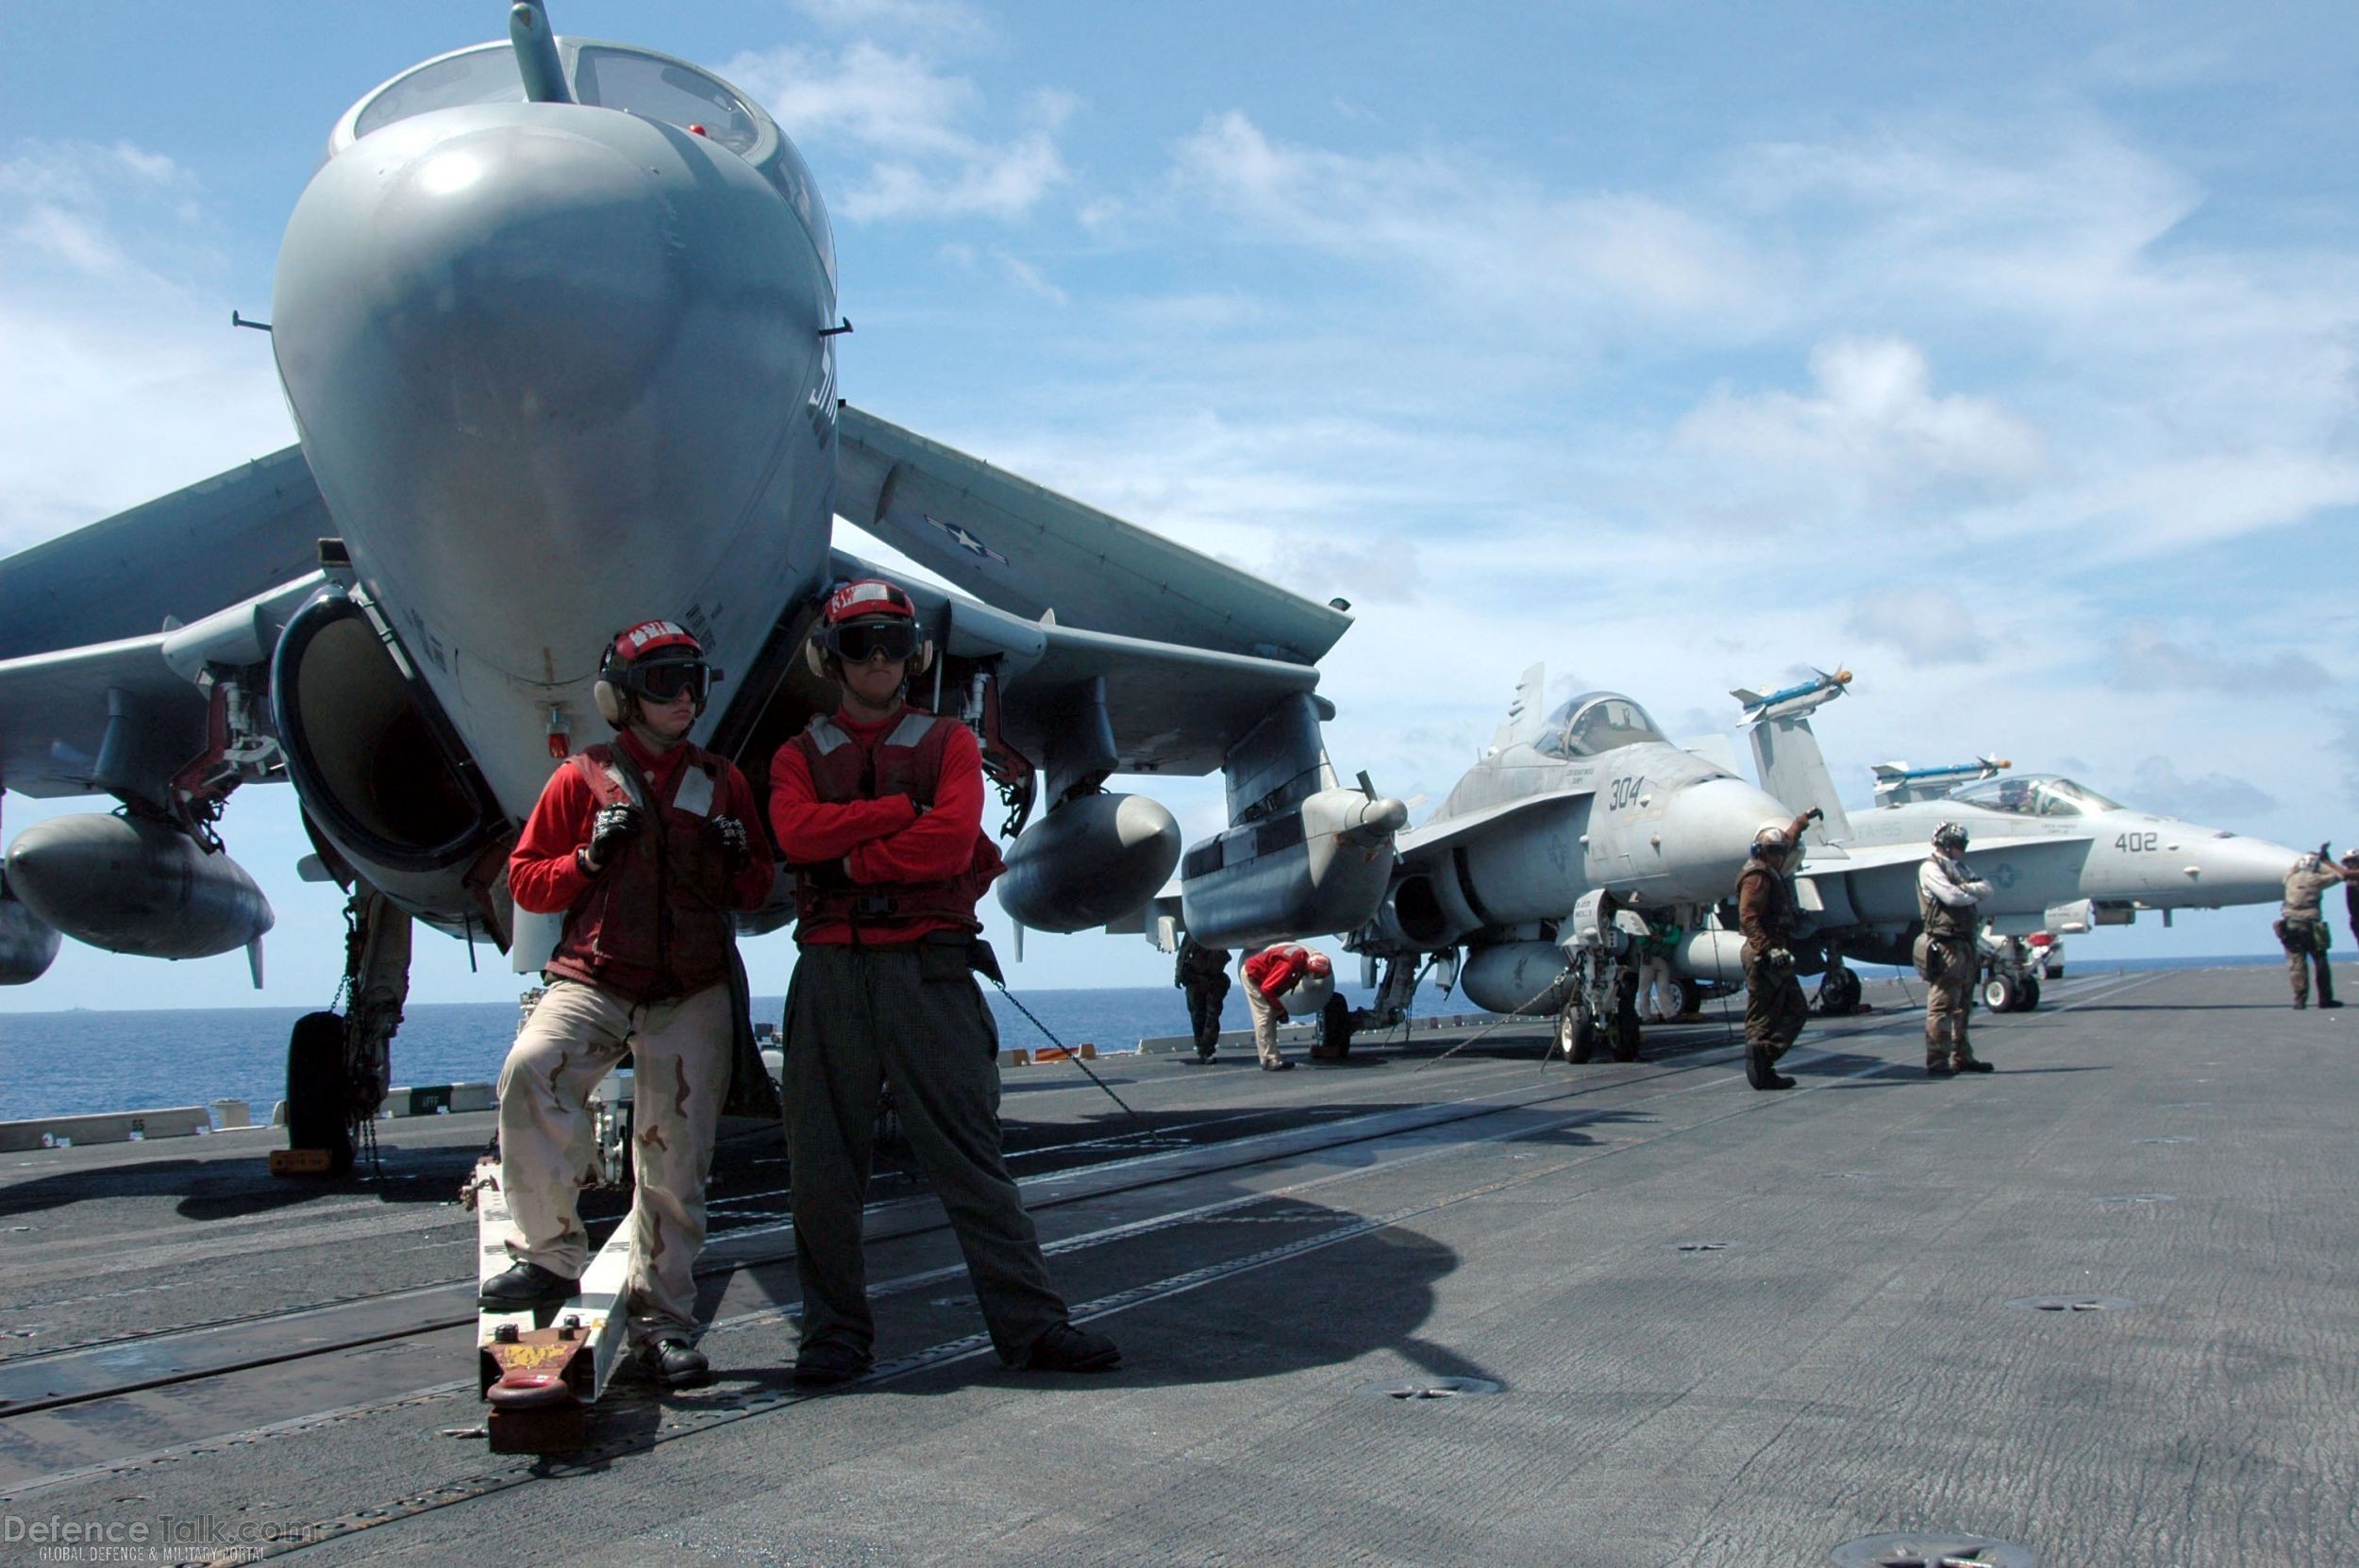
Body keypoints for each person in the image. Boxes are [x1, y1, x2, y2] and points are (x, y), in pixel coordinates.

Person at [769, 577, 1118, 1385]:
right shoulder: (798, 755)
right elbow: (792, 831)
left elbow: (949, 842)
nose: (880, 659)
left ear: (915, 652)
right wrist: (896, 817)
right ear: (833, 656)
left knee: (971, 1163)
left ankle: (1033, 1327)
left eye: (894, 642)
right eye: (861, 644)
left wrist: (846, 853)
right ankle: (832, 1336)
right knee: (822, 1172)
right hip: (829, 971)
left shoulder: (951, 745)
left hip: (928, 967)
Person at [487, 621, 775, 1390]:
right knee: (534, 1068)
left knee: (674, 1166)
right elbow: (527, 880)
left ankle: (665, 1327)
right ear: (621, 698)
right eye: (662, 684)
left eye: (691, 682)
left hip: (690, 990)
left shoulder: (721, 781)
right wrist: (586, 859)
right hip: (596, 978)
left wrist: (739, 859)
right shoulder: (581, 778)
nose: (683, 698)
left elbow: (756, 890)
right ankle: (548, 1256)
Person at [1733, 811, 1818, 1091]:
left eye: (1782, 852)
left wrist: (1801, 823)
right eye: (1775, 852)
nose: (1780, 856)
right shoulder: (1757, 877)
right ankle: (1761, 1062)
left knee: (1789, 1008)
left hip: (1771, 951)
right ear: (1763, 852)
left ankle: (1763, 1061)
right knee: (1766, 1013)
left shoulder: (1768, 866)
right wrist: (1767, 949)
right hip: (1765, 953)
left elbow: (1786, 841)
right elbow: (1748, 917)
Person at [1917, 822, 1994, 1076]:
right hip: (1946, 944)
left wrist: (1966, 890)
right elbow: (1951, 897)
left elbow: (1986, 888)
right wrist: (1970, 892)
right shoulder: (1930, 867)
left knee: (1963, 1003)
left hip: (1965, 943)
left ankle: (1961, 1056)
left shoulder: (1959, 867)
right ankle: (1937, 1061)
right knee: (1942, 1004)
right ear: (1947, 844)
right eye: (1960, 844)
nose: (1963, 849)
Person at [2276, 848, 2356, 1009]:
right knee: (2320, 960)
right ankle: (2325, 999)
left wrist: (2300, 864)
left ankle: (2300, 1000)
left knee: (2296, 963)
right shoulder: (2316, 879)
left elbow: (2291, 870)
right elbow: (2340, 876)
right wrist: (2324, 862)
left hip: (2290, 923)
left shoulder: (2290, 878)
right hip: (2311, 923)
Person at [1239, 943, 1332, 1071]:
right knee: (1265, 1015)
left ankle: (1273, 1057)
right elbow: (1267, 989)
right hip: (1252, 976)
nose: (1315, 978)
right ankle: (1269, 1060)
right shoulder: (1288, 967)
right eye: (1316, 975)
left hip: (1261, 975)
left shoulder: (1301, 958)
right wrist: (1281, 1010)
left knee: (1270, 1015)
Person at [1174, 936, 1233, 1060]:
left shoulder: (1218, 931)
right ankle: (1203, 1048)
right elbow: (1183, 951)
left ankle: (1206, 1049)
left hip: (1214, 979)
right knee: (1198, 1016)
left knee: (1212, 1016)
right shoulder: (1193, 931)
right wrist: (1179, 975)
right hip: (1196, 979)